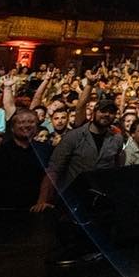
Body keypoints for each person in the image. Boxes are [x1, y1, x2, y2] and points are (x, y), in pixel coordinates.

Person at [32, 96, 126, 266]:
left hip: (100, 200)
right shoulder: (73, 137)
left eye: (111, 112)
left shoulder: (117, 139)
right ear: (94, 112)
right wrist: (43, 199)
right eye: (103, 111)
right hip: (74, 198)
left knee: (96, 252)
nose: (107, 115)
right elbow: (54, 168)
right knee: (71, 248)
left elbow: (117, 167)